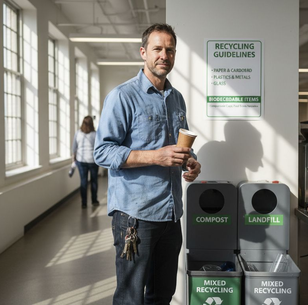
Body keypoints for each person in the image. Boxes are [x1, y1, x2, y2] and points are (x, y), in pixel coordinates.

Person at [94, 23, 201, 305]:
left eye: (170, 50)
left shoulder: (176, 98)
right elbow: (103, 152)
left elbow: (180, 146)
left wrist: (190, 161)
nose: (164, 55)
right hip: (135, 217)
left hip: (170, 214)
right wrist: (156, 156)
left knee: (162, 294)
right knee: (130, 297)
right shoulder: (122, 96)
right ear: (143, 52)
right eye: (157, 49)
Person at [72, 116, 99, 208]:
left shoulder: (78, 133)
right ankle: (94, 201)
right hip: (93, 161)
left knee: (83, 182)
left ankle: (84, 203)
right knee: (94, 181)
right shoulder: (95, 134)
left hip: (81, 160)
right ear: (92, 123)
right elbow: (98, 148)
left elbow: (74, 147)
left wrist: (73, 159)